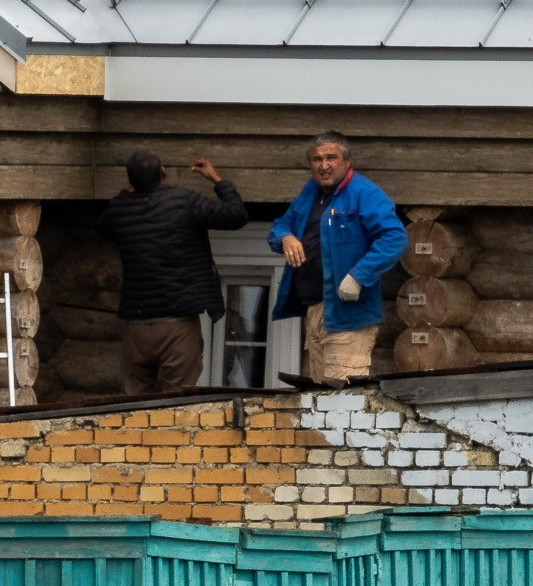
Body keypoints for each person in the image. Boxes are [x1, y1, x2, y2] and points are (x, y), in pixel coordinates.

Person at [96, 149, 248, 395]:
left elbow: (102, 228)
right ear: (163, 173)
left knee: (134, 400)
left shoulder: (119, 209)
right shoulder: (185, 201)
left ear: (130, 180)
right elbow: (237, 215)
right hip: (178, 324)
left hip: (137, 325)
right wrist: (217, 179)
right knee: (176, 400)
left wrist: (127, 192)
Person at [268, 132, 407, 384]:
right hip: (315, 309)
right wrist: (285, 237)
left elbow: (394, 238)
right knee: (319, 393)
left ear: (347, 160)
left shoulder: (364, 193)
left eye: (331, 158)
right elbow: (279, 226)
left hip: (348, 316)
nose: (324, 165)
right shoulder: (311, 192)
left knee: (342, 395)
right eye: (317, 159)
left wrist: (358, 276)